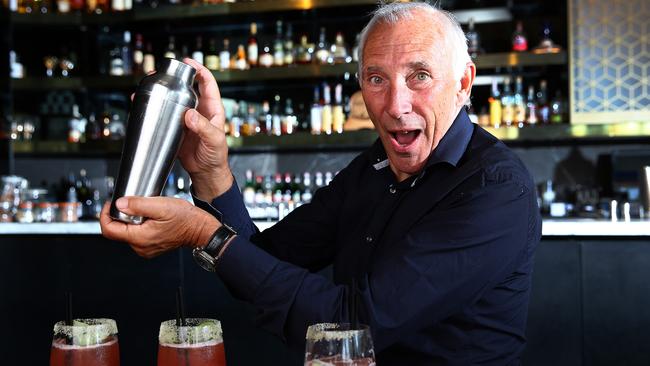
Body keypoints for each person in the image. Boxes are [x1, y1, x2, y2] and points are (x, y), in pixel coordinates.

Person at [100, 2, 542, 365]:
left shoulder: (495, 188)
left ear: (463, 83)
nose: (395, 104)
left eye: (419, 76)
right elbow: (261, 262)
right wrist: (211, 174)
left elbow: (354, 324)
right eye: (376, 79)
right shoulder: (372, 169)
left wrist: (204, 233)